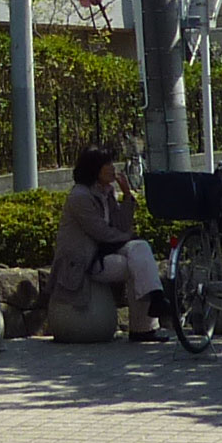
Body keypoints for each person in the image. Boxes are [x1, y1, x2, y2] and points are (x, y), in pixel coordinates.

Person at [52, 146, 164, 341]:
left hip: (104, 252)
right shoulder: (80, 196)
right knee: (133, 264)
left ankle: (157, 298)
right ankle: (143, 327)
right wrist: (128, 237)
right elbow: (100, 232)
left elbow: (121, 225)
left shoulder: (107, 191)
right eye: (107, 164)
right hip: (83, 261)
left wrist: (127, 195)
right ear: (94, 169)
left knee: (140, 248)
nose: (113, 168)